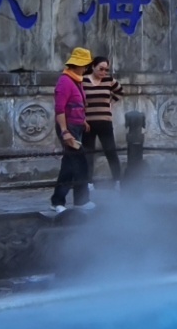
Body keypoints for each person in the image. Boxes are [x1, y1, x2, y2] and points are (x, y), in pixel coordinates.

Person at [44, 46, 93, 215]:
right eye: (84, 65)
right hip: (68, 127)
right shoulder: (65, 81)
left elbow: (78, 105)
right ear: (77, 65)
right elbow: (60, 109)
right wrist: (65, 131)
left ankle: (79, 200)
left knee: (76, 164)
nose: (86, 68)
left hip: (76, 126)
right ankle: (58, 200)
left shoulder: (76, 80)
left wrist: (83, 121)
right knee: (73, 165)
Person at [82, 54, 122, 182]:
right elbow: (77, 99)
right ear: (93, 67)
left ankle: (117, 181)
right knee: (88, 154)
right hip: (88, 123)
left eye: (106, 69)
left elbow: (120, 91)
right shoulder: (83, 81)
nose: (103, 72)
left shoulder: (109, 80)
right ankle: (88, 183)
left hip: (105, 122)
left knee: (111, 152)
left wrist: (110, 102)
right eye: (101, 68)